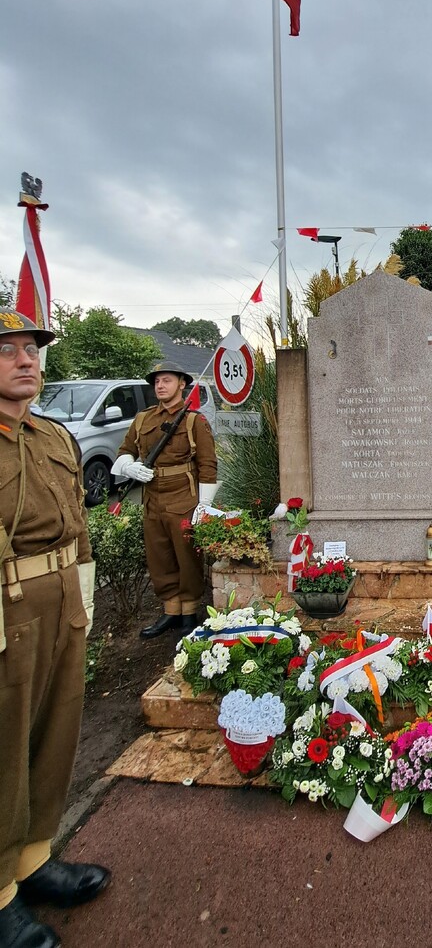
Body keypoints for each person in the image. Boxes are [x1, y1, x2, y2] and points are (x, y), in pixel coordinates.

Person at [0, 311, 110, 948]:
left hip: (62, 594)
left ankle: (34, 858)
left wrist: (84, 592)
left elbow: (76, 521)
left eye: (32, 350)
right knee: (4, 743)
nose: (26, 361)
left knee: (55, 726)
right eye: (9, 350)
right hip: (9, 604)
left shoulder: (53, 438)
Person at [112, 362, 218, 639]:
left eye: (167, 380)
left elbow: (207, 465)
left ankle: (189, 612)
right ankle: (170, 610)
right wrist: (127, 467)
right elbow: (125, 450)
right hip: (152, 498)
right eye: (157, 381)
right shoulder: (143, 419)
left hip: (183, 496)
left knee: (187, 557)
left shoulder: (194, 420)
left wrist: (204, 506)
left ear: (182, 384)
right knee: (159, 557)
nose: (160, 385)